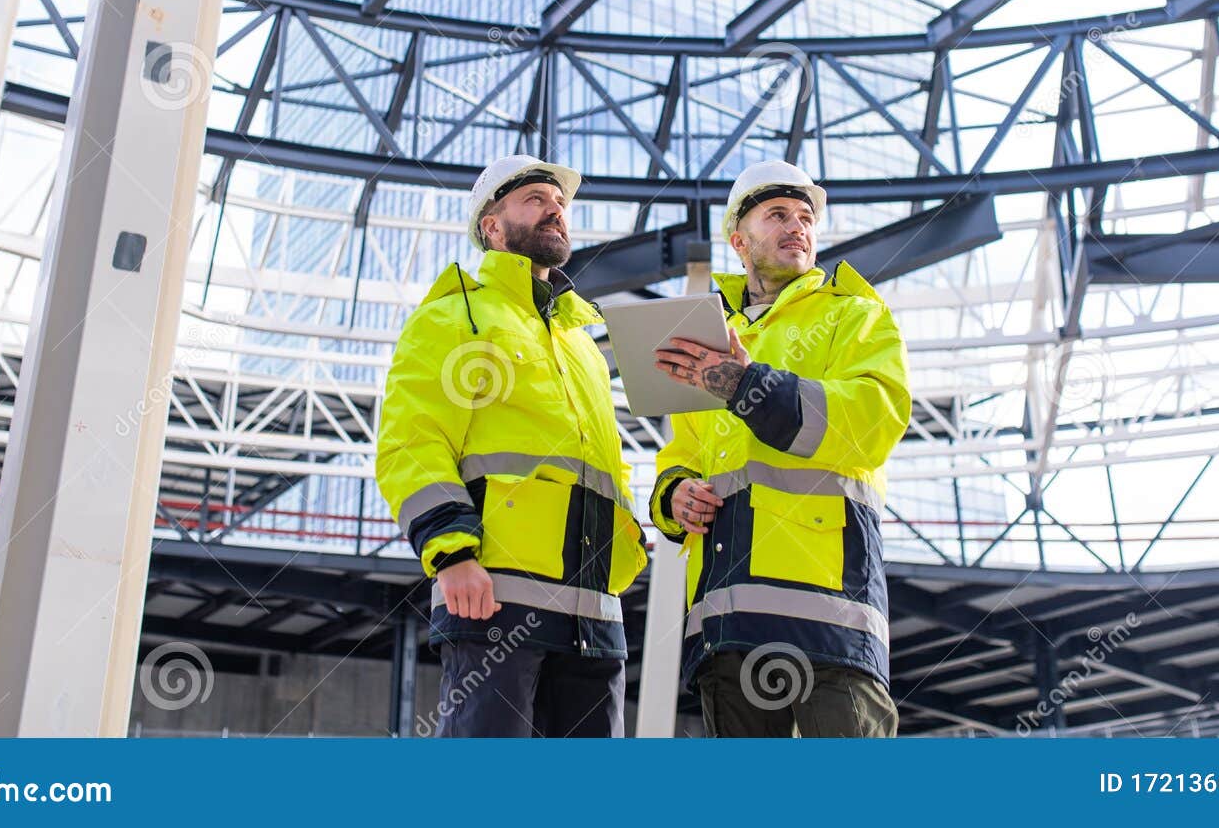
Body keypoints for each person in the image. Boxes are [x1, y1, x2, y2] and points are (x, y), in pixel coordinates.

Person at [377, 154, 645, 737]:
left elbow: (604, 467)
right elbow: (412, 440)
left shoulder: (581, 342)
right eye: (535, 200)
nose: (555, 210)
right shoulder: (456, 316)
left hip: (594, 608)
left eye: (560, 203)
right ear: (492, 228)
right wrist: (450, 553)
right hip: (495, 596)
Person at [650, 159, 910, 737]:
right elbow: (681, 454)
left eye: (805, 217)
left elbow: (872, 422)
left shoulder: (854, 314)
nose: (798, 226)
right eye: (778, 215)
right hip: (727, 616)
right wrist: (675, 499)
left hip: (831, 609)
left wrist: (748, 386)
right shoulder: (709, 337)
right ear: (740, 242)